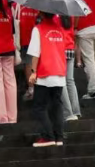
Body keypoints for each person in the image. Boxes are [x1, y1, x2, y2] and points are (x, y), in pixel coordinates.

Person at [28, 12, 67, 147]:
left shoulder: (38, 29)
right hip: (59, 71)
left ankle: (48, 136)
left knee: (39, 107)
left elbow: (35, 54)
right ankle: (59, 137)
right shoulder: (60, 29)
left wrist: (33, 71)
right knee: (57, 106)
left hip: (45, 72)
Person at [14, 2, 40, 101]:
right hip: (36, 38)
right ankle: (34, 88)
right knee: (33, 63)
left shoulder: (17, 5)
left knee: (28, 64)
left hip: (24, 39)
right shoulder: (38, 5)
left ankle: (31, 89)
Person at [58, 15, 81, 121]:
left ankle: (68, 112)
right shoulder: (70, 15)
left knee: (62, 81)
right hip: (70, 48)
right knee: (70, 81)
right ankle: (76, 111)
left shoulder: (55, 18)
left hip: (60, 49)